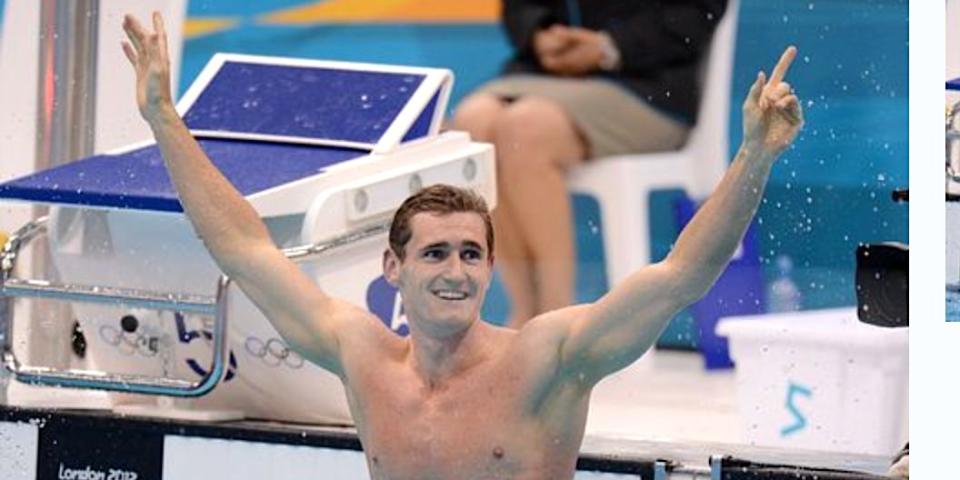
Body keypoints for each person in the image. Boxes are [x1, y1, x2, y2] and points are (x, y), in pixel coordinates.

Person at [122, 12, 802, 480]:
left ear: (491, 267)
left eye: (471, 254)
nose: (455, 272)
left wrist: (754, 157)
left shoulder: (549, 361)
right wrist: (163, 119)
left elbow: (683, 274)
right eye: (436, 253)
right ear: (392, 268)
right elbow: (245, 247)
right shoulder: (363, 357)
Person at [453, 0, 728, 327]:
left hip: (647, 86)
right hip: (548, 75)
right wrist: (540, 34)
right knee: (473, 125)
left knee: (525, 130)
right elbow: (519, 7)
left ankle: (556, 320)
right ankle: (523, 312)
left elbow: (697, 13)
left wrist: (608, 47)